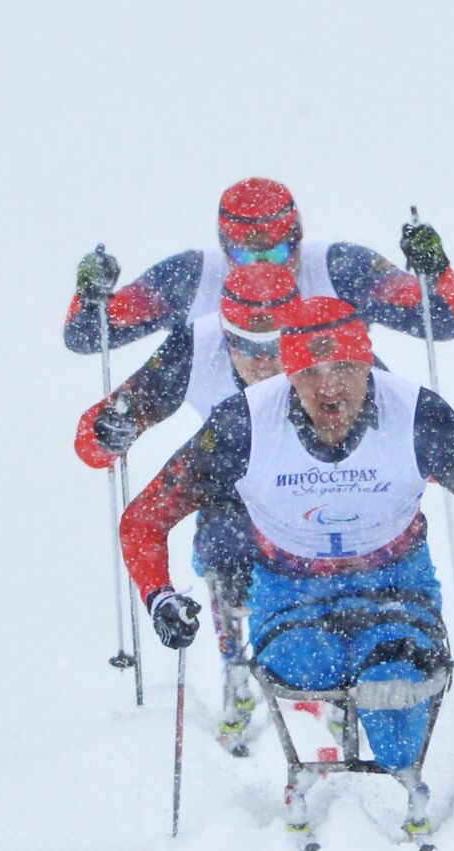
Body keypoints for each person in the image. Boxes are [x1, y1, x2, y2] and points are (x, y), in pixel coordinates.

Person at [118, 295, 454, 844]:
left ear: (369, 363)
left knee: (391, 697)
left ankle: (399, 758)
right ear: (287, 373)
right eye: (309, 373)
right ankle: (316, 750)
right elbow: (143, 519)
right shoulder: (243, 424)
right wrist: (160, 596)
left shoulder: (418, 415)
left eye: (346, 368)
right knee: (308, 667)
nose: (330, 389)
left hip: (397, 583)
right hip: (288, 589)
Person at [74, 263, 304, 756]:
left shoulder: (331, 343)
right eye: (248, 347)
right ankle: (236, 671)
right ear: (225, 333)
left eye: (278, 345)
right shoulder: (196, 346)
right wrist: (108, 434)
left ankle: (315, 683)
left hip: (316, 492)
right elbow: (95, 440)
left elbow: (413, 435)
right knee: (225, 542)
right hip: (232, 489)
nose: (264, 362)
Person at [65, 176, 454, 354]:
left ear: (298, 240)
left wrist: (436, 268)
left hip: (338, 446)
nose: (262, 268)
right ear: (224, 247)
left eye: (275, 253)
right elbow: (88, 334)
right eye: (243, 255)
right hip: (238, 453)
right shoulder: (188, 278)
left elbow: (444, 320)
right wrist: (89, 294)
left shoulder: (344, 268)